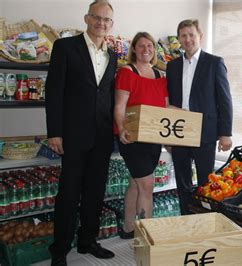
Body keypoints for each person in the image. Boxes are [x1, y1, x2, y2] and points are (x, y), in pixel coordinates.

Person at [45, 1, 116, 265]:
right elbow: (53, 92)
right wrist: (55, 132)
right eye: (96, 18)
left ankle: (87, 241)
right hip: (73, 135)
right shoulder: (65, 47)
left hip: (102, 136)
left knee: (95, 191)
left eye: (106, 19)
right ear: (87, 19)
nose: (101, 23)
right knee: (69, 193)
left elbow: (106, 95)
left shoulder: (113, 55)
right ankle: (60, 251)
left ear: (111, 24)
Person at [166, 19, 233, 215]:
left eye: (191, 35)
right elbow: (170, 101)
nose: (187, 39)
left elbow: (225, 100)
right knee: (182, 181)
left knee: (206, 182)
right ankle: (187, 219)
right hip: (179, 132)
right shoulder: (172, 66)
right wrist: (167, 136)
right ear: (179, 39)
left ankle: (206, 222)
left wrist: (225, 133)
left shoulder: (214, 63)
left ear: (200, 36)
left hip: (205, 132)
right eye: (183, 35)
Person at [114, 32, 171, 239]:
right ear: (134, 49)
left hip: (153, 138)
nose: (146, 50)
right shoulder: (127, 72)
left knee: (135, 183)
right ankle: (145, 238)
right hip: (132, 138)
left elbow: (165, 108)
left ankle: (128, 228)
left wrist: (182, 120)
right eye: (141, 46)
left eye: (150, 46)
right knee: (147, 185)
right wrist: (121, 128)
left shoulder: (160, 76)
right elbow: (120, 105)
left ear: (154, 50)